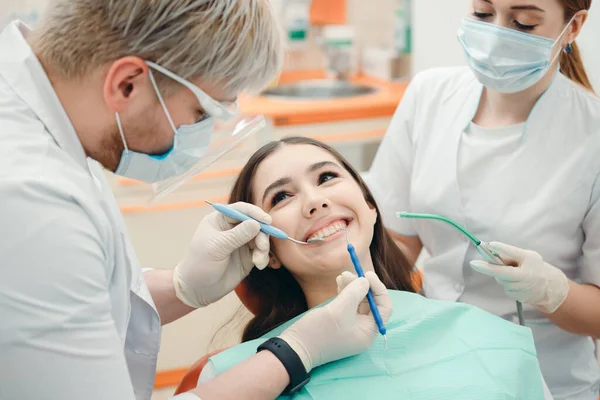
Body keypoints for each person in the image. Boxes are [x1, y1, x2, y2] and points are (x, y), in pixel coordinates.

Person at [0, 2, 390, 399]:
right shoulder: (31, 200)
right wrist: (294, 352)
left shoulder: (52, 130)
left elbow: (76, 307)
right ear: (127, 84)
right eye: (202, 112)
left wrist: (181, 286)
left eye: (327, 177)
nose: (315, 203)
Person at [175, 137, 552, 399]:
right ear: (267, 250)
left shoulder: (494, 340)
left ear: (370, 206)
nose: (315, 201)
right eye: (282, 196)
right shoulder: (228, 379)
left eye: (326, 177)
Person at [367, 0, 600, 398]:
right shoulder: (429, 94)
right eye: (482, 14)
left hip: (544, 381)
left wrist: (551, 290)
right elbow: (399, 240)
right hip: (431, 364)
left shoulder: (591, 136)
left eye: (523, 23)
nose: (496, 36)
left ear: (574, 26)